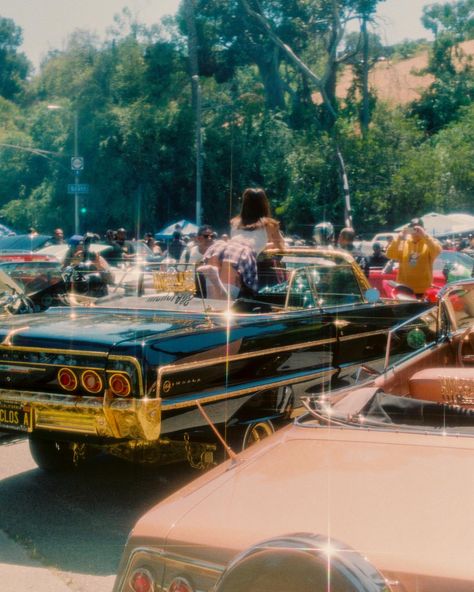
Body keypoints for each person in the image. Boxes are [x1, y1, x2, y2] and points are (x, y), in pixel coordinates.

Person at [201, 187, 285, 300]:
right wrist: (268, 245)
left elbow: (243, 238)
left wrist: (264, 245)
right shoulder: (270, 225)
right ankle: (216, 280)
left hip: (223, 247)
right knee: (228, 300)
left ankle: (215, 278)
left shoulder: (235, 222)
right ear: (265, 204)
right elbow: (281, 246)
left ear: (244, 204)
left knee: (212, 299)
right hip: (242, 252)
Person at [386, 217, 442, 298]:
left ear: (424, 229)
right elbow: (390, 254)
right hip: (404, 289)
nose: (415, 231)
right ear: (409, 229)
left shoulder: (429, 242)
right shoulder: (403, 242)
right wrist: (399, 238)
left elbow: (437, 251)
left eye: (418, 228)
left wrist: (424, 236)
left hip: (423, 290)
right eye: (413, 228)